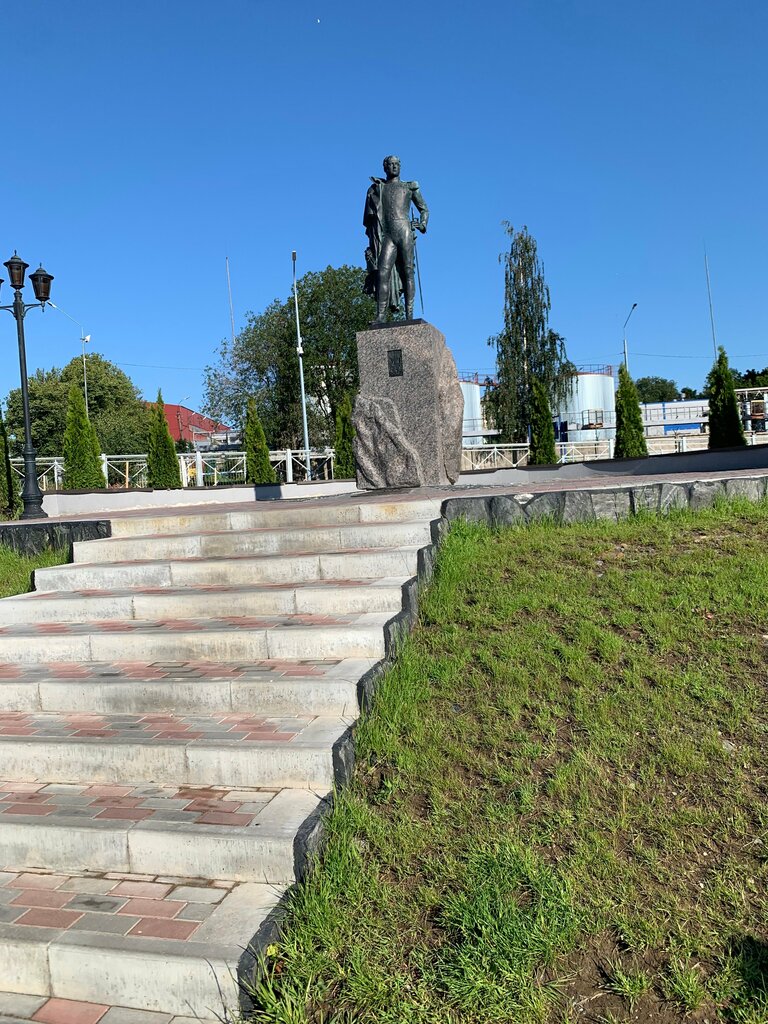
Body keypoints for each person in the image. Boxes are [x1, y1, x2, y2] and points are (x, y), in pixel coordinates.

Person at [363, 155, 429, 322]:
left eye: (396, 164)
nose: (394, 167)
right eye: (390, 164)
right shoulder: (378, 188)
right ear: (385, 168)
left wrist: (422, 224)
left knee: (408, 272)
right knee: (382, 273)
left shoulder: (409, 187)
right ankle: (380, 316)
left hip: (404, 231)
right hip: (388, 235)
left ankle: (409, 316)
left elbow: (424, 209)